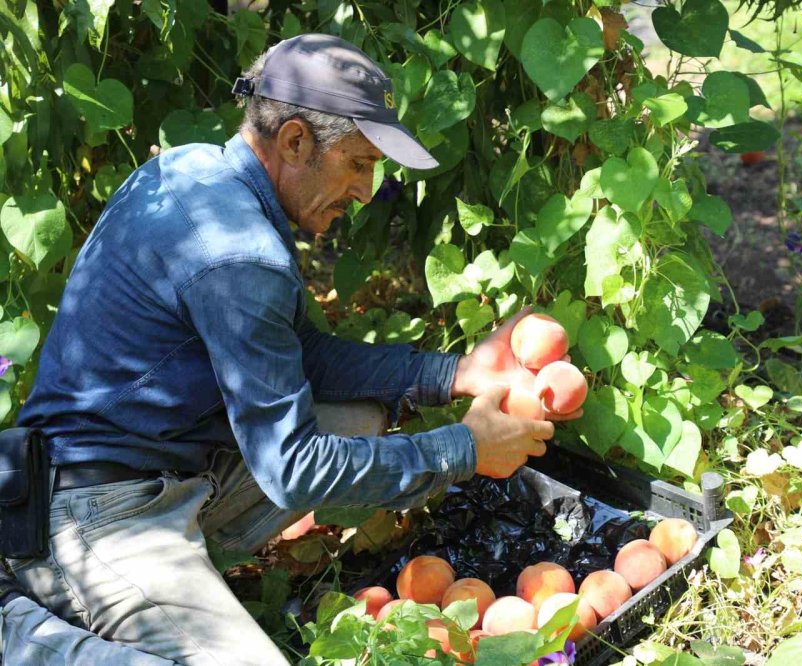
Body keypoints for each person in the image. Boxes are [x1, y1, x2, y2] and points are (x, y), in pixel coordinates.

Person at [0, 34, 577, 665]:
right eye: (358, 163)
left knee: (358, 420)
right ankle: (30, 619)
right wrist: (462, 449)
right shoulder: (239, 253)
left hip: (150, 465)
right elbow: (292, 468)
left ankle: (173, 575)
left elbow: (300, 357)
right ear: (296, 140)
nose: (365, 190)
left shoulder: (195, 171)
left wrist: (455, 371)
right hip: (91, 512)